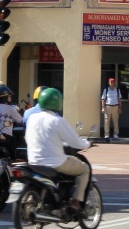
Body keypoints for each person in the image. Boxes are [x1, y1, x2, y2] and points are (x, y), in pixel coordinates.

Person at [24, 87, 91, 216]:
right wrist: (87, 144)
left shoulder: (32, 118)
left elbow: (27, 138)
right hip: (55, 162)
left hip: (34, 161)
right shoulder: (57, 120)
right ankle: (76, 202)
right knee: (84, 169)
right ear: (58, 102)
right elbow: (74, 141)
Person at [0, 84, 24, 159]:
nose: (10, 97)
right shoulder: (11, 109)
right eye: (9, 96)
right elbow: (21, 122)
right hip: (7, 140)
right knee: (17, 157)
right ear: (4, 97)